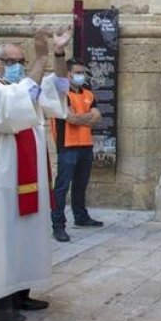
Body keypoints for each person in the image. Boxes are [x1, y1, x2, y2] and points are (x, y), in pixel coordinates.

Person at [0, 27, 71, 321]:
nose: (18, 66)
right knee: (3, 236)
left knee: (27, 235)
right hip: (1, 178)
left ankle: (20, 292)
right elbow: (18, 101)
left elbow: (60, 86)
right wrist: (40, 57)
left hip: (28, 176)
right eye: (11, 61)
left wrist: (58, 54)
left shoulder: (24, 86)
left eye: (22, 61)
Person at [50, 59, 103, 242]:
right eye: (78, 72)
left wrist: (81, 117)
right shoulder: (62, 94)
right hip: (67, 146)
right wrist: (86, 117)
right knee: (62, 187)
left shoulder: (88, 93)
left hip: (86, 145)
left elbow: (98, 116)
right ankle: (58, 225)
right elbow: (71, 118)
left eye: (83, 72)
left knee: (81, 184)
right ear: (68, 74)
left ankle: (81, 216)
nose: (81, 76)